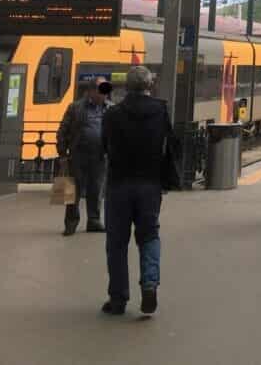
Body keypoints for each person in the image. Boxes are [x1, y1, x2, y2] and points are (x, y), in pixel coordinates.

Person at [101, 66, 174, 317]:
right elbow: (169, 146)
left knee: (117, 243)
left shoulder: (112, 115)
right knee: (149, 236)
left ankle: (118, 298)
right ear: (149, 86)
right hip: (150, 185)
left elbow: (104, 146)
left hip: (119, 185)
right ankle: (150, 284)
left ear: (126, 87)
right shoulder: (160, 111)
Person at [57, 77, 112, 236]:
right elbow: (63, 131)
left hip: (100, 156)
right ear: (92, 91)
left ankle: (94, 220)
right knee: (72, 190)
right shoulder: (75, 108)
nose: (105, 94)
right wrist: (62, 154)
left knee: (97, 189)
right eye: (102, 90)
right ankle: (71, 223)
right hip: (78, 155)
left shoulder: (109, 108)